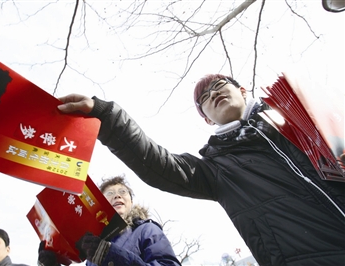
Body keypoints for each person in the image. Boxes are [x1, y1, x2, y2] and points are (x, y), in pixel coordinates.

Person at [55, 74, 345, 266]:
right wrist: (105, 117)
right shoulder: (218, 170)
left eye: (220, 85)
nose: (213, 92)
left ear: (243, 91)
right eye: (204, 97)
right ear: (207, 119)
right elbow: (157, 163)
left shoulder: (303, 120)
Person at [38, 175, 181, 266]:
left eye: (123, 192)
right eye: (110, 194)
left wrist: (112, 256)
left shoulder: (146, 230)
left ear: (131, 201)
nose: (117, 196)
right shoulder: (92, 248)